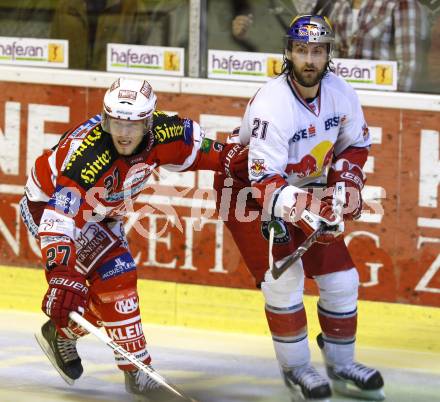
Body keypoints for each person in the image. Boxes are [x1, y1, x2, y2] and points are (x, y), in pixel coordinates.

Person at [20, 77, 244, 401]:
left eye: (133, 124)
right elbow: (59, 217)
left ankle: (61, 333)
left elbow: (202, 150)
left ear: (149, 122)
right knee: (117, 275)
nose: (123, 133)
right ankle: (137, 372)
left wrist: (236, 162)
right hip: (48, 207)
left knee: (107, 290)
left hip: (103, 213)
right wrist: (62, 275)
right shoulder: (90, 156)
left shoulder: (164, 132)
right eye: (116, 122)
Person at [214, 15, 384, 401]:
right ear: (288, 53)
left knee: (342, 281)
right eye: (302, 50)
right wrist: (309, 209)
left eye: (318, 51)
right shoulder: (272, 104)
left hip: (303, 186)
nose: (310, 59)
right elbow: (264, 182)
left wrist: (346, 184)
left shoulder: (341, 93)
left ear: (328, 55)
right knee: (283, 283)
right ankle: (296, 369)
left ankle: (341, 365)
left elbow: (354, 144)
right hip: (247, 195)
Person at [328, 0, 427, 92]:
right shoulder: (341, 5)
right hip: (342, 100)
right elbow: (332, 57)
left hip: (380, 99)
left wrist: (388, 103)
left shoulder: (402, 3)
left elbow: (409, 66)